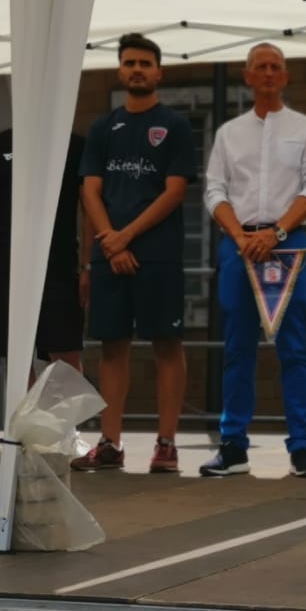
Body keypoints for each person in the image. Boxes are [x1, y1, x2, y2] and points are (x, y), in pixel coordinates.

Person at [202, 42, 306, 478]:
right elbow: (214, 190)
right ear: (248, 76)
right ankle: (233, 445)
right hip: (238, 245)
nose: (269, 72)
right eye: (261, 66)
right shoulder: (228, 133)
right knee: (238, 347)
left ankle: (302, 447)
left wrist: (276, 232)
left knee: (294, 347)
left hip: (288, 242)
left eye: (276, 66)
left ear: (286, 76)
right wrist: (241, 236)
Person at [73, 34, 195, 473]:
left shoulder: (175, 126)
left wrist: (124, 237)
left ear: (159, 71)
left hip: (157, 254)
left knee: (167, 345)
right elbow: (90, 190)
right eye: (130, 62)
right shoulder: (103, 128)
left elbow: (174, 191)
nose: (137, 69)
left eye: (145, 63)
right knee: (112, 347)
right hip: (110, 254)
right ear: (120, 70)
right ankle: (110, 443)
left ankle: (166, 444)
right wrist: (110, 240)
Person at [0, 126, 86, 380]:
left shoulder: (76, 146)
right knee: (16, 357)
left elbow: (88, 208)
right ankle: (26, 409)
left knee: (66, 355)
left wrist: (87, 266)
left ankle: (63, 409)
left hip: (59, 264)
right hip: (4, 264)